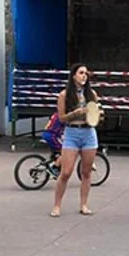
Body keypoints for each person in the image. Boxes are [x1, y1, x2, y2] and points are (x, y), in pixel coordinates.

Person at [50, 63, 101, 217]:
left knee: (86, 172)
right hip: (72, 132)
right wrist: (76, 113)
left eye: (86, 73)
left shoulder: (92, 94)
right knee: (66, 172)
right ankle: (57, 205)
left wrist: (98, 116)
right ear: (73, 76)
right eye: (81, 73)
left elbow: (96, 114)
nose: (84, 76)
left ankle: (84, 204)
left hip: (88, 132)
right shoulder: (64, 95)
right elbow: (61, 118)